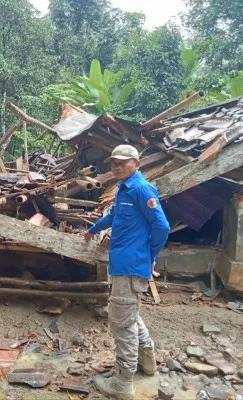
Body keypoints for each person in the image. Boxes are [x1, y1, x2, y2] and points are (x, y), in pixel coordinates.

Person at [84, 145, 170, 399]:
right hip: (123, 264)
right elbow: (113, 217)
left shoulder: (142, 189)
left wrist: (151, 256)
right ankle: (147, 361)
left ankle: (123, 384)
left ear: (137, 164)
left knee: (121, 323)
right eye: (114, 163)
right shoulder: (123, 189)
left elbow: (162, 227)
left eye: (123, 162)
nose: (117, 166)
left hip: (131, 266)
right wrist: (92, 230)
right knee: (129, 315)